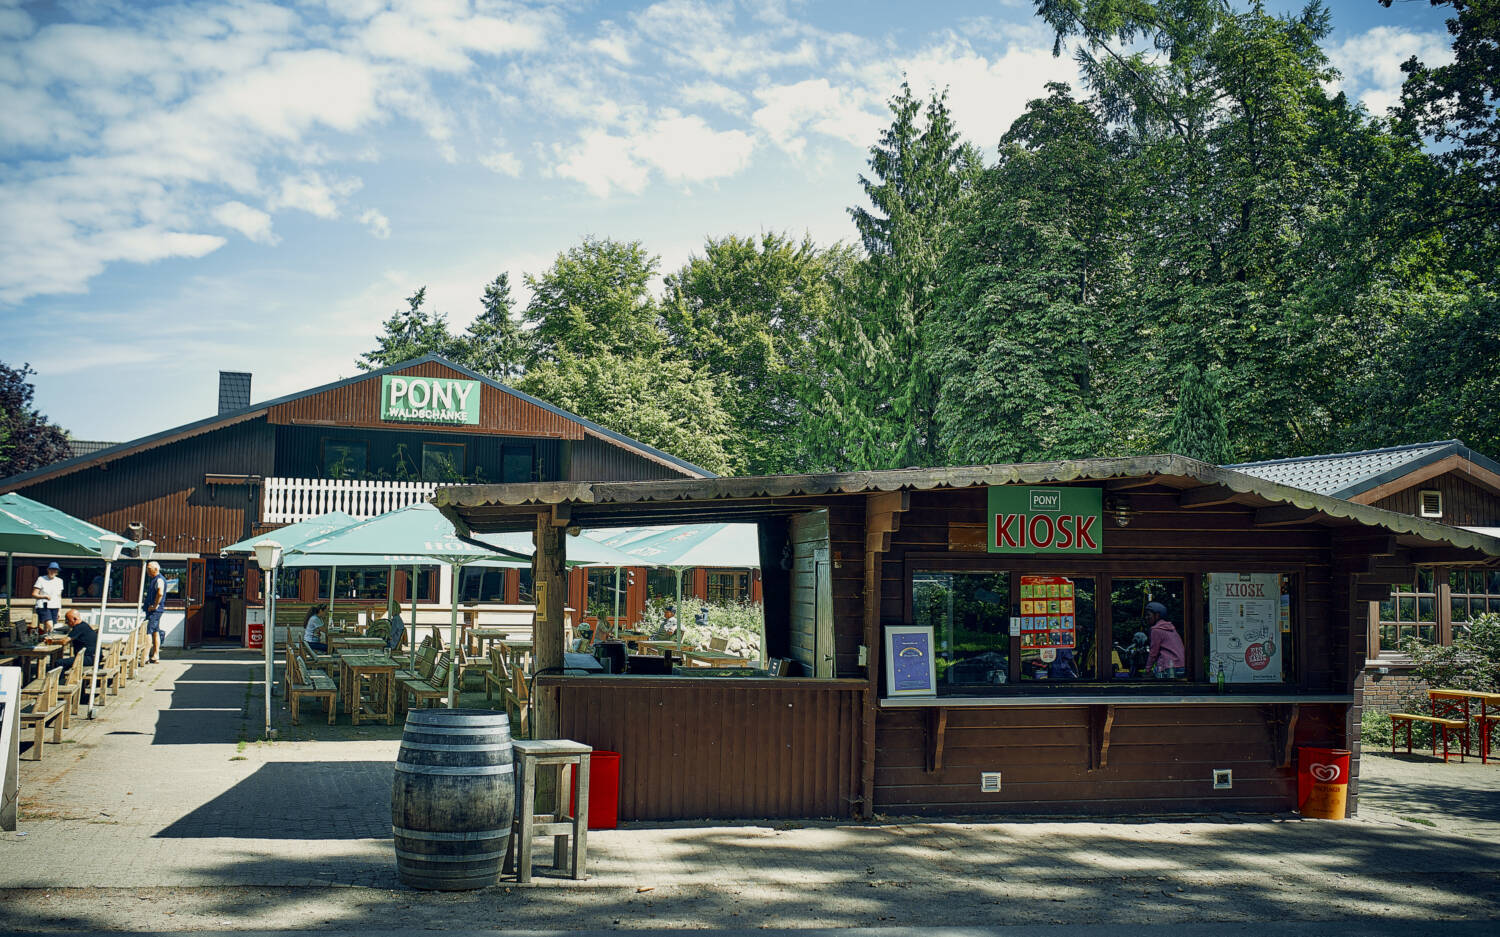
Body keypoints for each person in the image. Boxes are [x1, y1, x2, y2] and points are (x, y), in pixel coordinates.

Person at [1144, 600, 1186, 679]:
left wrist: (1147, 670)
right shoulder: (1171, 628)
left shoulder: (1156, 630)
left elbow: (1153, 652)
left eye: (1148, 615)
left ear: (1157, 615)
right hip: (1181, 667)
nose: (1146, 618)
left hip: (1168, 667)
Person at [31, 561, 64, 637]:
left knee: (47, 628)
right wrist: (44, 596)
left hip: (55, 606)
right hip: (43, 606)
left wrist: (60, 611)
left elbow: (59, 596)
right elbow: (34, 594)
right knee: (50, 625)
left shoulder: (60, 581)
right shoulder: (41, 579)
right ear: (48, 570)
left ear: (57, 571)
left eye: (55, 570)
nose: (53, 571)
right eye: (51, 569)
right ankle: (50, 638)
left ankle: (46, 641)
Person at [143, 560, 166, 663]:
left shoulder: (159, 579)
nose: (147, 571)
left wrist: (155, 605)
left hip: (155, 611)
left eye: (149, 569)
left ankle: (146, 656)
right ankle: (156, 655)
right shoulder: (156, 579)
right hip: (156, 610)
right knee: (155, 631)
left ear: (156, 569)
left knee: (149, 631)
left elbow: (160, 593)